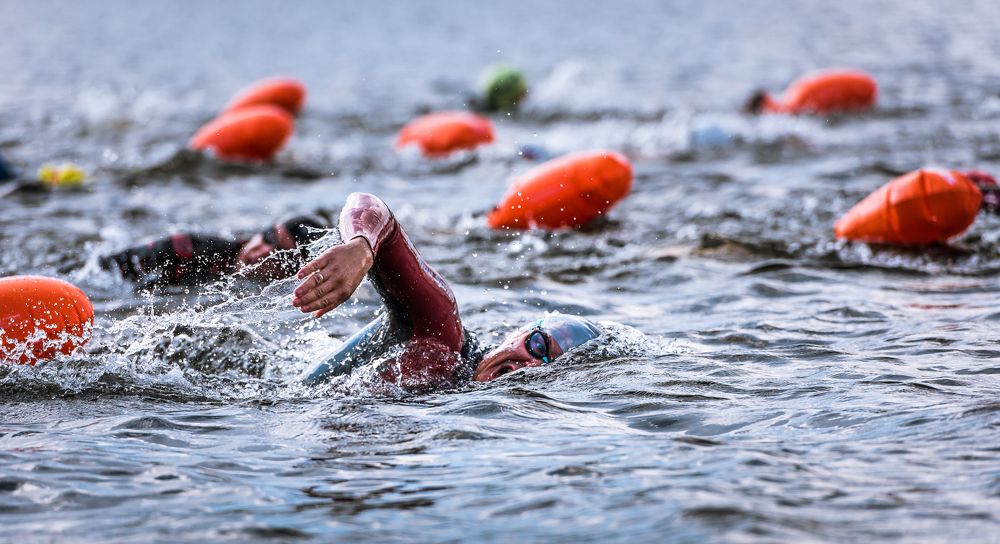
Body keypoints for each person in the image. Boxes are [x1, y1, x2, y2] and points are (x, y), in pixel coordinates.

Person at [293, 193, 603, 390]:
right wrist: (361, 247)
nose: (532, 364)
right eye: (538, 345)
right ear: (516, 335)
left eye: (550, 371)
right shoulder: (440, 332)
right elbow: (371, 207)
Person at [101, 214, 329, 289]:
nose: (263, 252)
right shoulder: (184, 250)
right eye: (269, 237)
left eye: (282, 255)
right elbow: (107, 274)